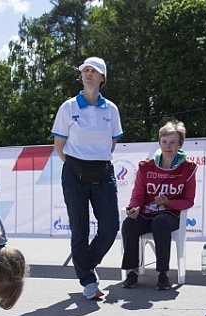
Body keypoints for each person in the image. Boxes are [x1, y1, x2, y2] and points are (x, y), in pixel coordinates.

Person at [51, 56, 123, 300]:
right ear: (81, 76)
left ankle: (85, 264)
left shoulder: (111, 109)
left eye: (95, 71)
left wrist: (94, 163)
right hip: (74, 171)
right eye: (86, 70)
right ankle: (88, 280)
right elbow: (59, 144)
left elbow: (111, 144)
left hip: (103, 171)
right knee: (79, 229)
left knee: (111, 226)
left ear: (103, 78)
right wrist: (75, 166)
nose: (89, 74)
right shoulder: (69, 107)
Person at [121, 121, 197, 290]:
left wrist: (168, 202)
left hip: (170, 215)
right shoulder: (146, 166)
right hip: (146, 213)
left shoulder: (188, 167)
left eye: (172, 142)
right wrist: (134, 208)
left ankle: (163, 274)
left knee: (160, 223)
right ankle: (133, 272)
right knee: (129, 223)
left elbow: (188, 200)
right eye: (164, 142)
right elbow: (138, 195)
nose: (168, 146)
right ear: (159, 143)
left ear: (180, 144)